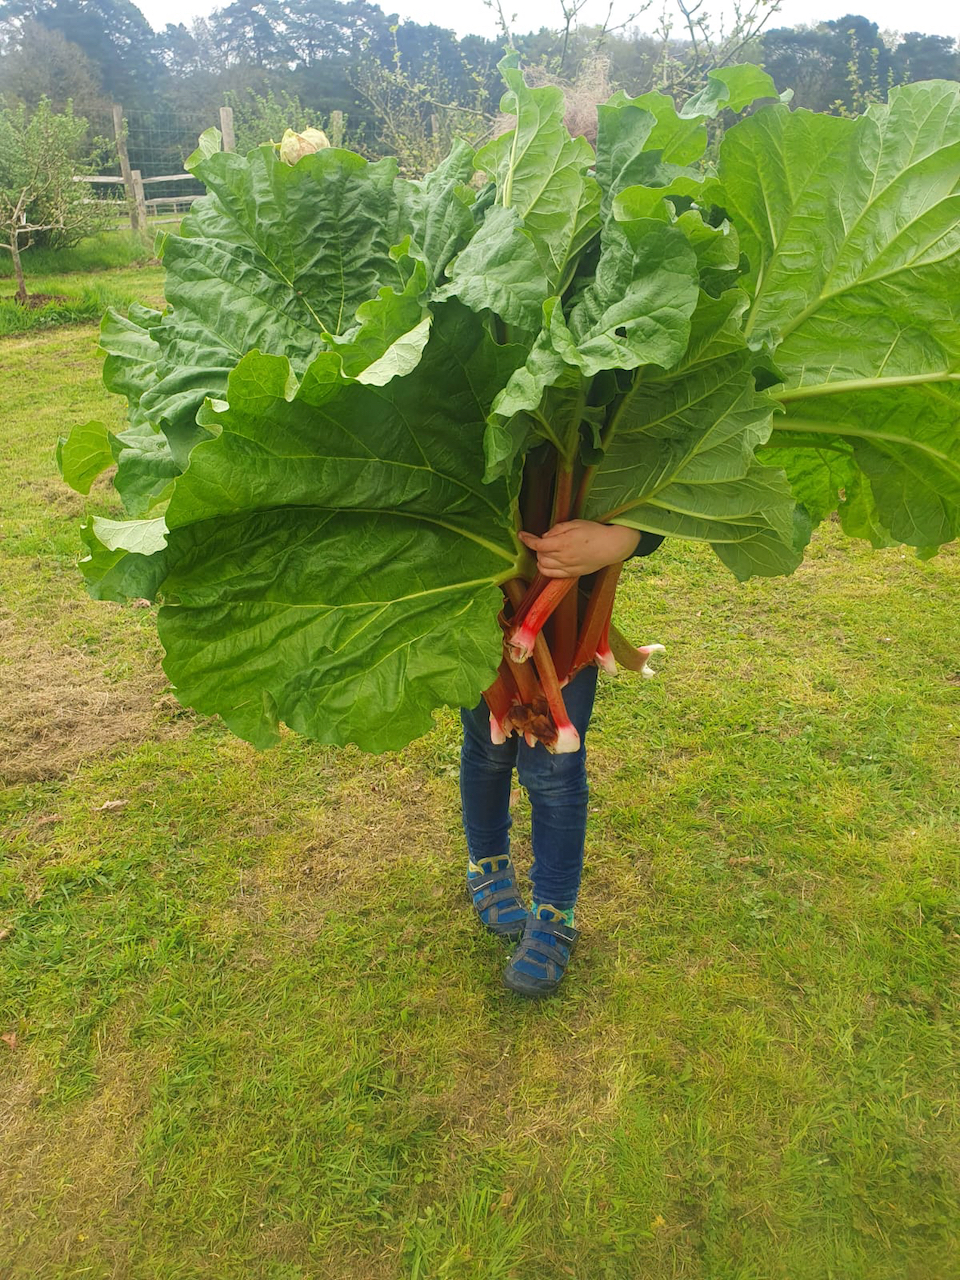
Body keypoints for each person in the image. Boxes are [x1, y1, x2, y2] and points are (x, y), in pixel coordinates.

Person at [461, 519, 664, 998]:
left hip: (570, 609)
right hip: (471, 604)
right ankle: (486, 863)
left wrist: (628, 539)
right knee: (487, 749)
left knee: (555, 772)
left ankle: (554, 911)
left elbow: (655, 504)